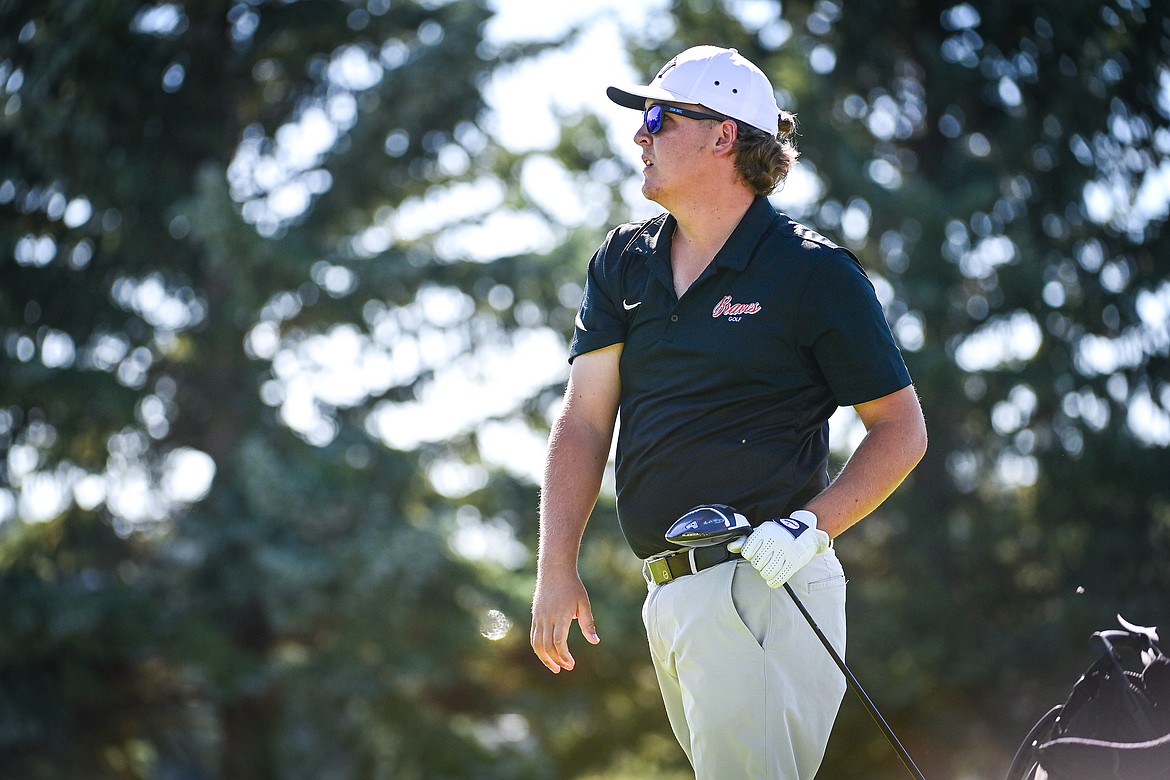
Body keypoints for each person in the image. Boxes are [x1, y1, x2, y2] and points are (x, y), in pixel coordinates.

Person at [530, 45, 927, 779]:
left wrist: (811, 526)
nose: (639, 136)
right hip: (672, 593)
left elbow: (901, 429)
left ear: (723, 136)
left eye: (658, 118)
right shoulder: (622, 262)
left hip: (766, 585)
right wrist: (557, 566)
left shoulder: (813, 272)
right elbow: (583, 421)